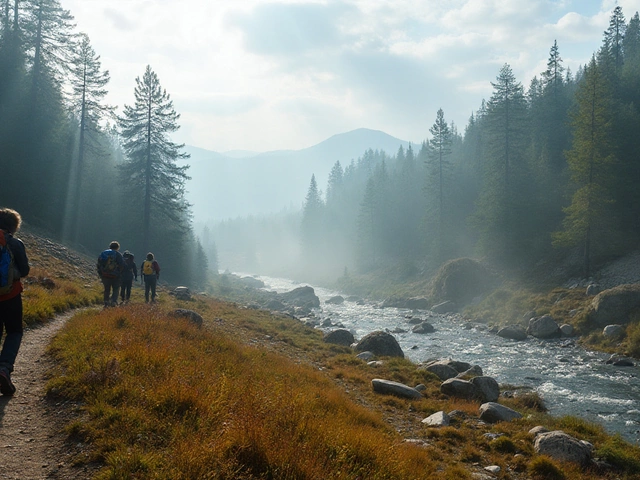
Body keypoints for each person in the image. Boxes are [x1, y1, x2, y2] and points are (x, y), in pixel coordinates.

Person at [0, 208, 30, 396]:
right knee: (14, 331)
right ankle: (4, 369)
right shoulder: (15, 243)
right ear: (14, 225)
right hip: (10, 295)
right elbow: (25, 271)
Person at [97, 241, 124, 307]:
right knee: (116, 288)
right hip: (115, 275)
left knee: (107, 289)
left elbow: (99, 263)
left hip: (105, 274)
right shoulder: (118, 254)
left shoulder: (103, 253)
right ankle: (113, 301)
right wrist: (119, 273)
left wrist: (101, 273)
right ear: (117, 247)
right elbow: (121, 265)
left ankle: (106, 301)